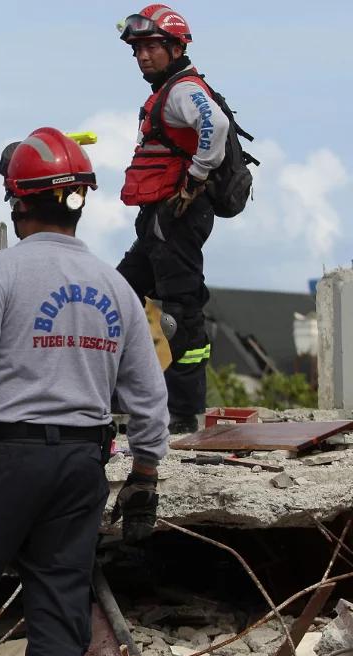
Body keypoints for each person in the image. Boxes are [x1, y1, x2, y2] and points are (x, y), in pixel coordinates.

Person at [0, 128, 170, 656]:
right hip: (81, 468)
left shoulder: (1, 271)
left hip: (7, 461)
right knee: (58, 613)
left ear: (17, 202)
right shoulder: (115, 285)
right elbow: (148, 393)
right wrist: (145, 472)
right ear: (78, 204)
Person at [115, 4, 229, 434]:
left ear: (176, 47)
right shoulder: (168, 90)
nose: (143, 56)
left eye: (152, 47)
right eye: (138, 49)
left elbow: (213, 125)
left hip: (179, 215)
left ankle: (183, 414)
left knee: (180, 313)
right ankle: (126, 398)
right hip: (160, 219)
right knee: (120, 296)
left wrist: (195, 177)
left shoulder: (183, 89)